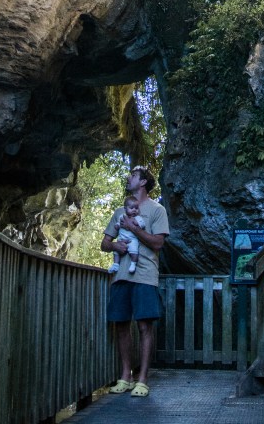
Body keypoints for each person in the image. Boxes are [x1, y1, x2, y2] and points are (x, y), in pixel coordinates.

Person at [101, 165, 169, 398]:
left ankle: (142, 380)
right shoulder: (120, 210)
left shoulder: (157, 210)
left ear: (143, 183)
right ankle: (125, 376)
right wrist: (115, 245)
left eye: (133, 176)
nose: (128, 178)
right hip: (121, 276)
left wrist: (134, 230)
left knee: (144, 326)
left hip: (146, 275)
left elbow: (158, 243)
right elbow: (104, 243)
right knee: (121, 325)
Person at [107, 195, 146, 274]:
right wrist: (117, 225)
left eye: (136, 208)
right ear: (125, 209)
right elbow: (119, 223)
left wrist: (137, 224)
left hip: (132, 239)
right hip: (121, 238)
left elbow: (143, 225)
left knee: (134, 251)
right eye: (132, 208)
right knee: (116, 252)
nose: (134, 210)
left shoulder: (138, 218)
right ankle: (116, 264)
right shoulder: (122, 216)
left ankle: (133, 264)